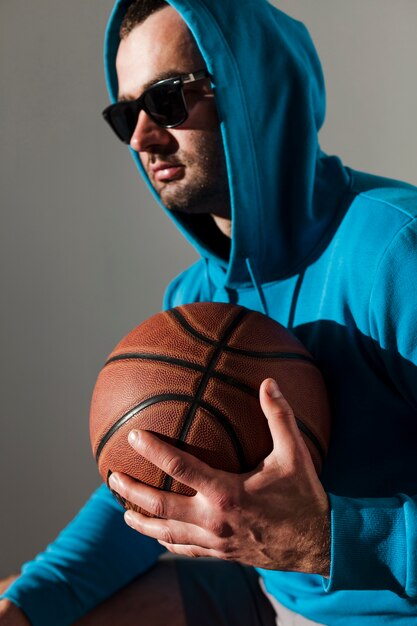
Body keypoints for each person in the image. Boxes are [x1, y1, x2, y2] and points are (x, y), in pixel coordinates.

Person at [1, 0, 417, 624]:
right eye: (126, 112)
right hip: (272, 598)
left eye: (167, 99)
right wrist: (28, 604)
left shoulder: (394, 252)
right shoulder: (193, 300)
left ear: (254, 90)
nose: (141, 135)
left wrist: (330, 538)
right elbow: (142, 494)